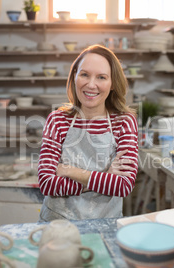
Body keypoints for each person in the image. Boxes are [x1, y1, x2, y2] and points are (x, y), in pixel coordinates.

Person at [37, 44, 139, 222]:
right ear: (75, 76)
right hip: (57, 224)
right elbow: (47, 184)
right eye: (84, 74)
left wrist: (69, 171)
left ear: (113, 83)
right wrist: (106, 177)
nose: (91, 85)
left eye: (101, 77)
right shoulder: (58, 120)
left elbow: (123, 186)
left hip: (105, 225)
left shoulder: (123, 122)